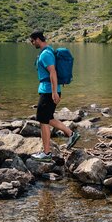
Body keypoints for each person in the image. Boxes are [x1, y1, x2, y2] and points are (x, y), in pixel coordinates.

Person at [28, 31, 79, 161]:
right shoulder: (48, 52)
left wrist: (54, 92)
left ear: (38, 39)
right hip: (48, 90)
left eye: (32, 41)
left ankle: (46, 153)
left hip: (48, 91)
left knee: (43, 120)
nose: (32, 43)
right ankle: (71, 134)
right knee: (48, 118)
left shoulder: (46, 54)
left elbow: (53, 72)